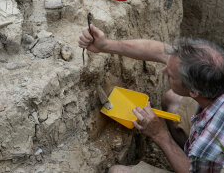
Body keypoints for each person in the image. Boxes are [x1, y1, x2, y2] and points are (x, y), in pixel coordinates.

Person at [78, 25, 224, 173]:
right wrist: (105, 45)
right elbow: (158, 50)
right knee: (172, 100)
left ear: (194, 92)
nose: (164, 70)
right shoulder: (214, 68)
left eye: (171, 75)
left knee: (117, 171)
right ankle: (189, 155)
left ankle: (192, 160)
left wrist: (159, 135)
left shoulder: (212, 142)